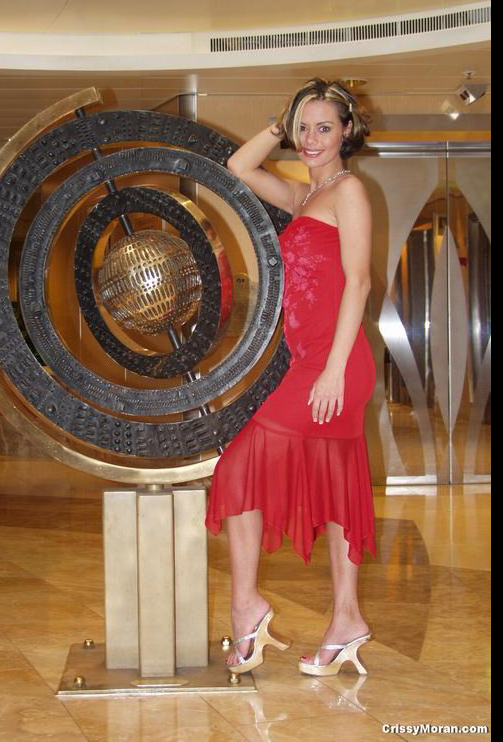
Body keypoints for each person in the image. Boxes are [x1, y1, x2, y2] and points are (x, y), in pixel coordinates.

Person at [205, 78, 377, 677]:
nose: (310, 139)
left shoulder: (349, 191)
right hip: (311, 363)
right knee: (336, 484)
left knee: (238, 467)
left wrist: (333, 370)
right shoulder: (305, 195)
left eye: (323, 127)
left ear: (347, 131)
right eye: (303, 128)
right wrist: (283, 119)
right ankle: (346, 618)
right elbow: (238, 165)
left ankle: (246, 608)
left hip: (334, 365)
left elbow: (359, 282)